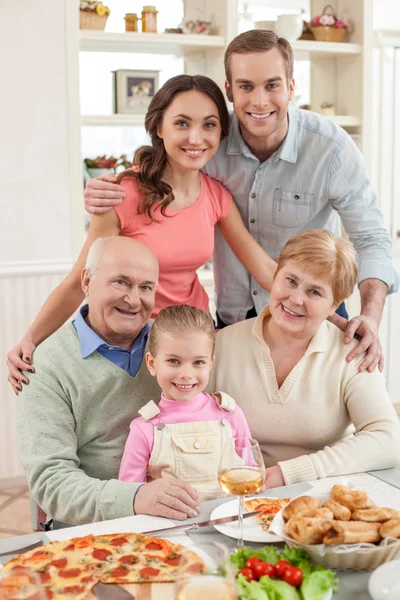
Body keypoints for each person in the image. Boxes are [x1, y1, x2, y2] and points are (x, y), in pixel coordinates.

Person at [82, 30, 399, 374]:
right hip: (232, 319)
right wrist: (110, 186)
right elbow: (164, 164)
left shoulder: (332, 150)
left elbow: (371, 240)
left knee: (325, 419)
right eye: (246, 86)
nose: (260, 101)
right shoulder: (209, 138)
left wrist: (370, 314)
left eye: (273, 85)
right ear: (230, 90)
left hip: (312, 315)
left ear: (292, 87)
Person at [7, 73, 277, 395]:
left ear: (221, 132)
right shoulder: (122, 194)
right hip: (135, 342)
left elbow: (262, 266)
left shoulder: (216, 196)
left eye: (209, 125)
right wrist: (30, 338)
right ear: (159, 128)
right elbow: (79, 281)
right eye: (181, 123)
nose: (196, 137)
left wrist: (331, 314)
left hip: (192, 343)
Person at [17, 236, 202, 526]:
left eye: (145, 287)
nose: (133, 299)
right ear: (87, 282)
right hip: (91, 526)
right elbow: (50, 481)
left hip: (178, 513)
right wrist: (135, 498)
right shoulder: (46, 365)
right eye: (121, 282)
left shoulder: (174, 351)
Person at [209, 230, 400, 489]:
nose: (296, 299)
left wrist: (291, 473)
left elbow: (388, 439)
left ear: (335, 305)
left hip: (322, 499)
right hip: (234, 494)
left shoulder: (352, 354)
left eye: (315, 292)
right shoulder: (220, 345)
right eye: (290, 280)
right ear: (275, 277)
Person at [119, 304, 252, 502]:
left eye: (198, 362)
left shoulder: (229, 414)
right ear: (152, 364)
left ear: (210, 364)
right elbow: (131, 497)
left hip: (231, 523)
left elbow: (250, 476)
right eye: (173, 361)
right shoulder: (145, 428)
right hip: (171, 528)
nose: (186, 375)